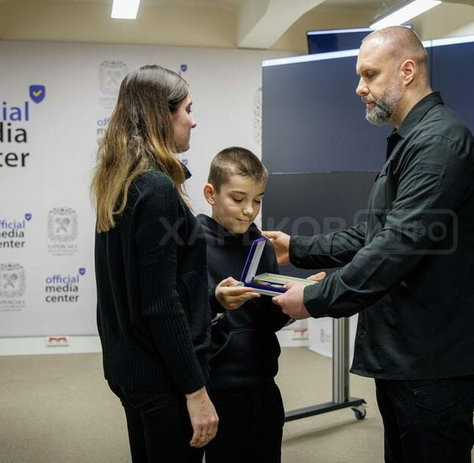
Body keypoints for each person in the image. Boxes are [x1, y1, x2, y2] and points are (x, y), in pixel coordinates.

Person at [264, 27, 474, 463]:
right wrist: (295, 248)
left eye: (370, 74)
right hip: (407, 352)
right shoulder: (412, 140)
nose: (360, 88)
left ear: (407, 71)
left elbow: (396, 246)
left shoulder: (439, 143)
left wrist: (316, 298)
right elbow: (371, 234)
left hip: (433, 358)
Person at [92, 64, 218, 462]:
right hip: (162, 377)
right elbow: (160, 304)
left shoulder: (121, 181)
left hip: (131, 369)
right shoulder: (156, 189)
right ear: (162, 115)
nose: (193, 121)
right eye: (187, 109)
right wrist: (195, 392)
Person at [197, 147, 323, 463]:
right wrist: (216, 302)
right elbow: (182, 318)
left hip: (263, 381)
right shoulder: (192, 245)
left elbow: (267, 319)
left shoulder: (261, 247)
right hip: (216, 387)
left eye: (257, 200)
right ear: (211, 194)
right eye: (238, 199)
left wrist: (298, 299)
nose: (248, 211)